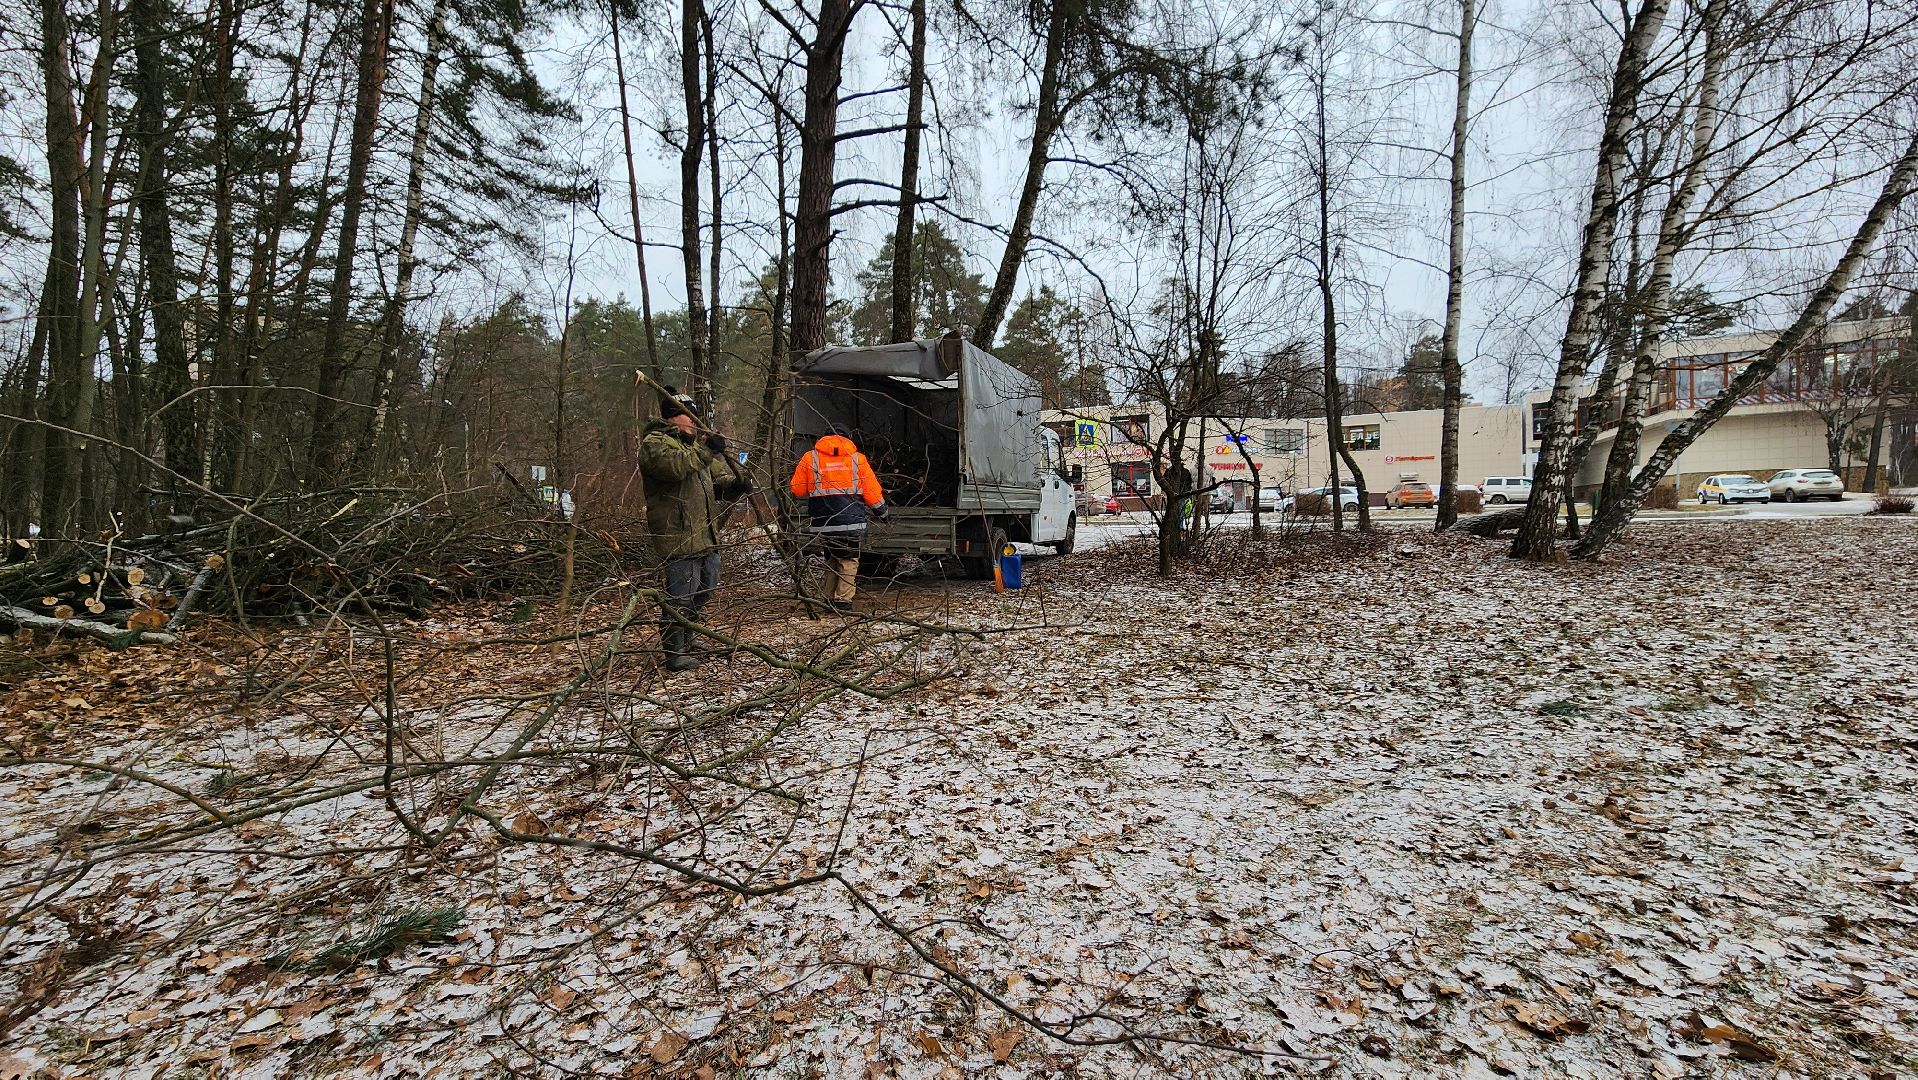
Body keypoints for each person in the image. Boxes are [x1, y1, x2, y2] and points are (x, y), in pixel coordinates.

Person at [639, 388, 753, 673]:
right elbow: (675, 469)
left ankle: (687, 637)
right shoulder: (655, 444)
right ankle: (674, 652)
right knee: (680, 596)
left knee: (705, 590)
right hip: (678, 535)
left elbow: (718, 480)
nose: (693, 422)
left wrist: (736, 485)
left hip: (704, 535)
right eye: (688, 416)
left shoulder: (693, 449)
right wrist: (706, 449)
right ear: (672, 417)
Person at [789, 432, 888, 613]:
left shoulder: (810, 458)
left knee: (832, 558)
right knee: (849, 560)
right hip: (850, 521)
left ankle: (827, 598)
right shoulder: (857, 459)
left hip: (823, 521)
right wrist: (882, 511)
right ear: (848, 438)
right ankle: (842, 601)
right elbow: (871, 491)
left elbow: (797, 489)